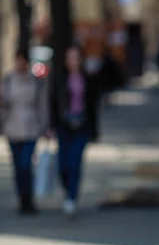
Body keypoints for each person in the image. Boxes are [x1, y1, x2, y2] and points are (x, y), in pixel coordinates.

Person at [51, 45, 100, 217]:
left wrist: (95, 131)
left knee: (75, 162)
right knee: (63, 165)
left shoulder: (87, 79)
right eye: (69, 57)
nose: (72, 61)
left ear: (80, 59)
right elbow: (53, 102)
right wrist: (51, 126)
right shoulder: (60, 78)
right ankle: (67, 189)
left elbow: (93, 107)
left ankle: (71, 197)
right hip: (64, 126)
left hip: (82, 126)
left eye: (75, 57)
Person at [0, 49, 49, 214]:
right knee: (17, 166)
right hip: (12, 127)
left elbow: (42, 106)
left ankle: (29, 199)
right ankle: (22, 198)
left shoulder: (35, 81)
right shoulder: (7, 80)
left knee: (25, 164)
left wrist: (45, 126)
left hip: (30, 127)